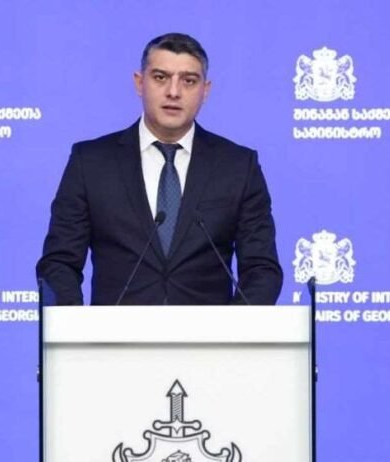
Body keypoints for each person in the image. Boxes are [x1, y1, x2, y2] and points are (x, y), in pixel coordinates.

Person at [36, 32, 283, 306]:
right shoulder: (91, 162)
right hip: (115, 332)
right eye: (160, 77)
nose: (173, 92)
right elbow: (59, 263)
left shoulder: (237, 166)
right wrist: (76, 327)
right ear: (139, 83)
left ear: (205, 90)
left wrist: (235, 330)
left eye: (188, 81)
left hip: (210, 333)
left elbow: (261, 269)